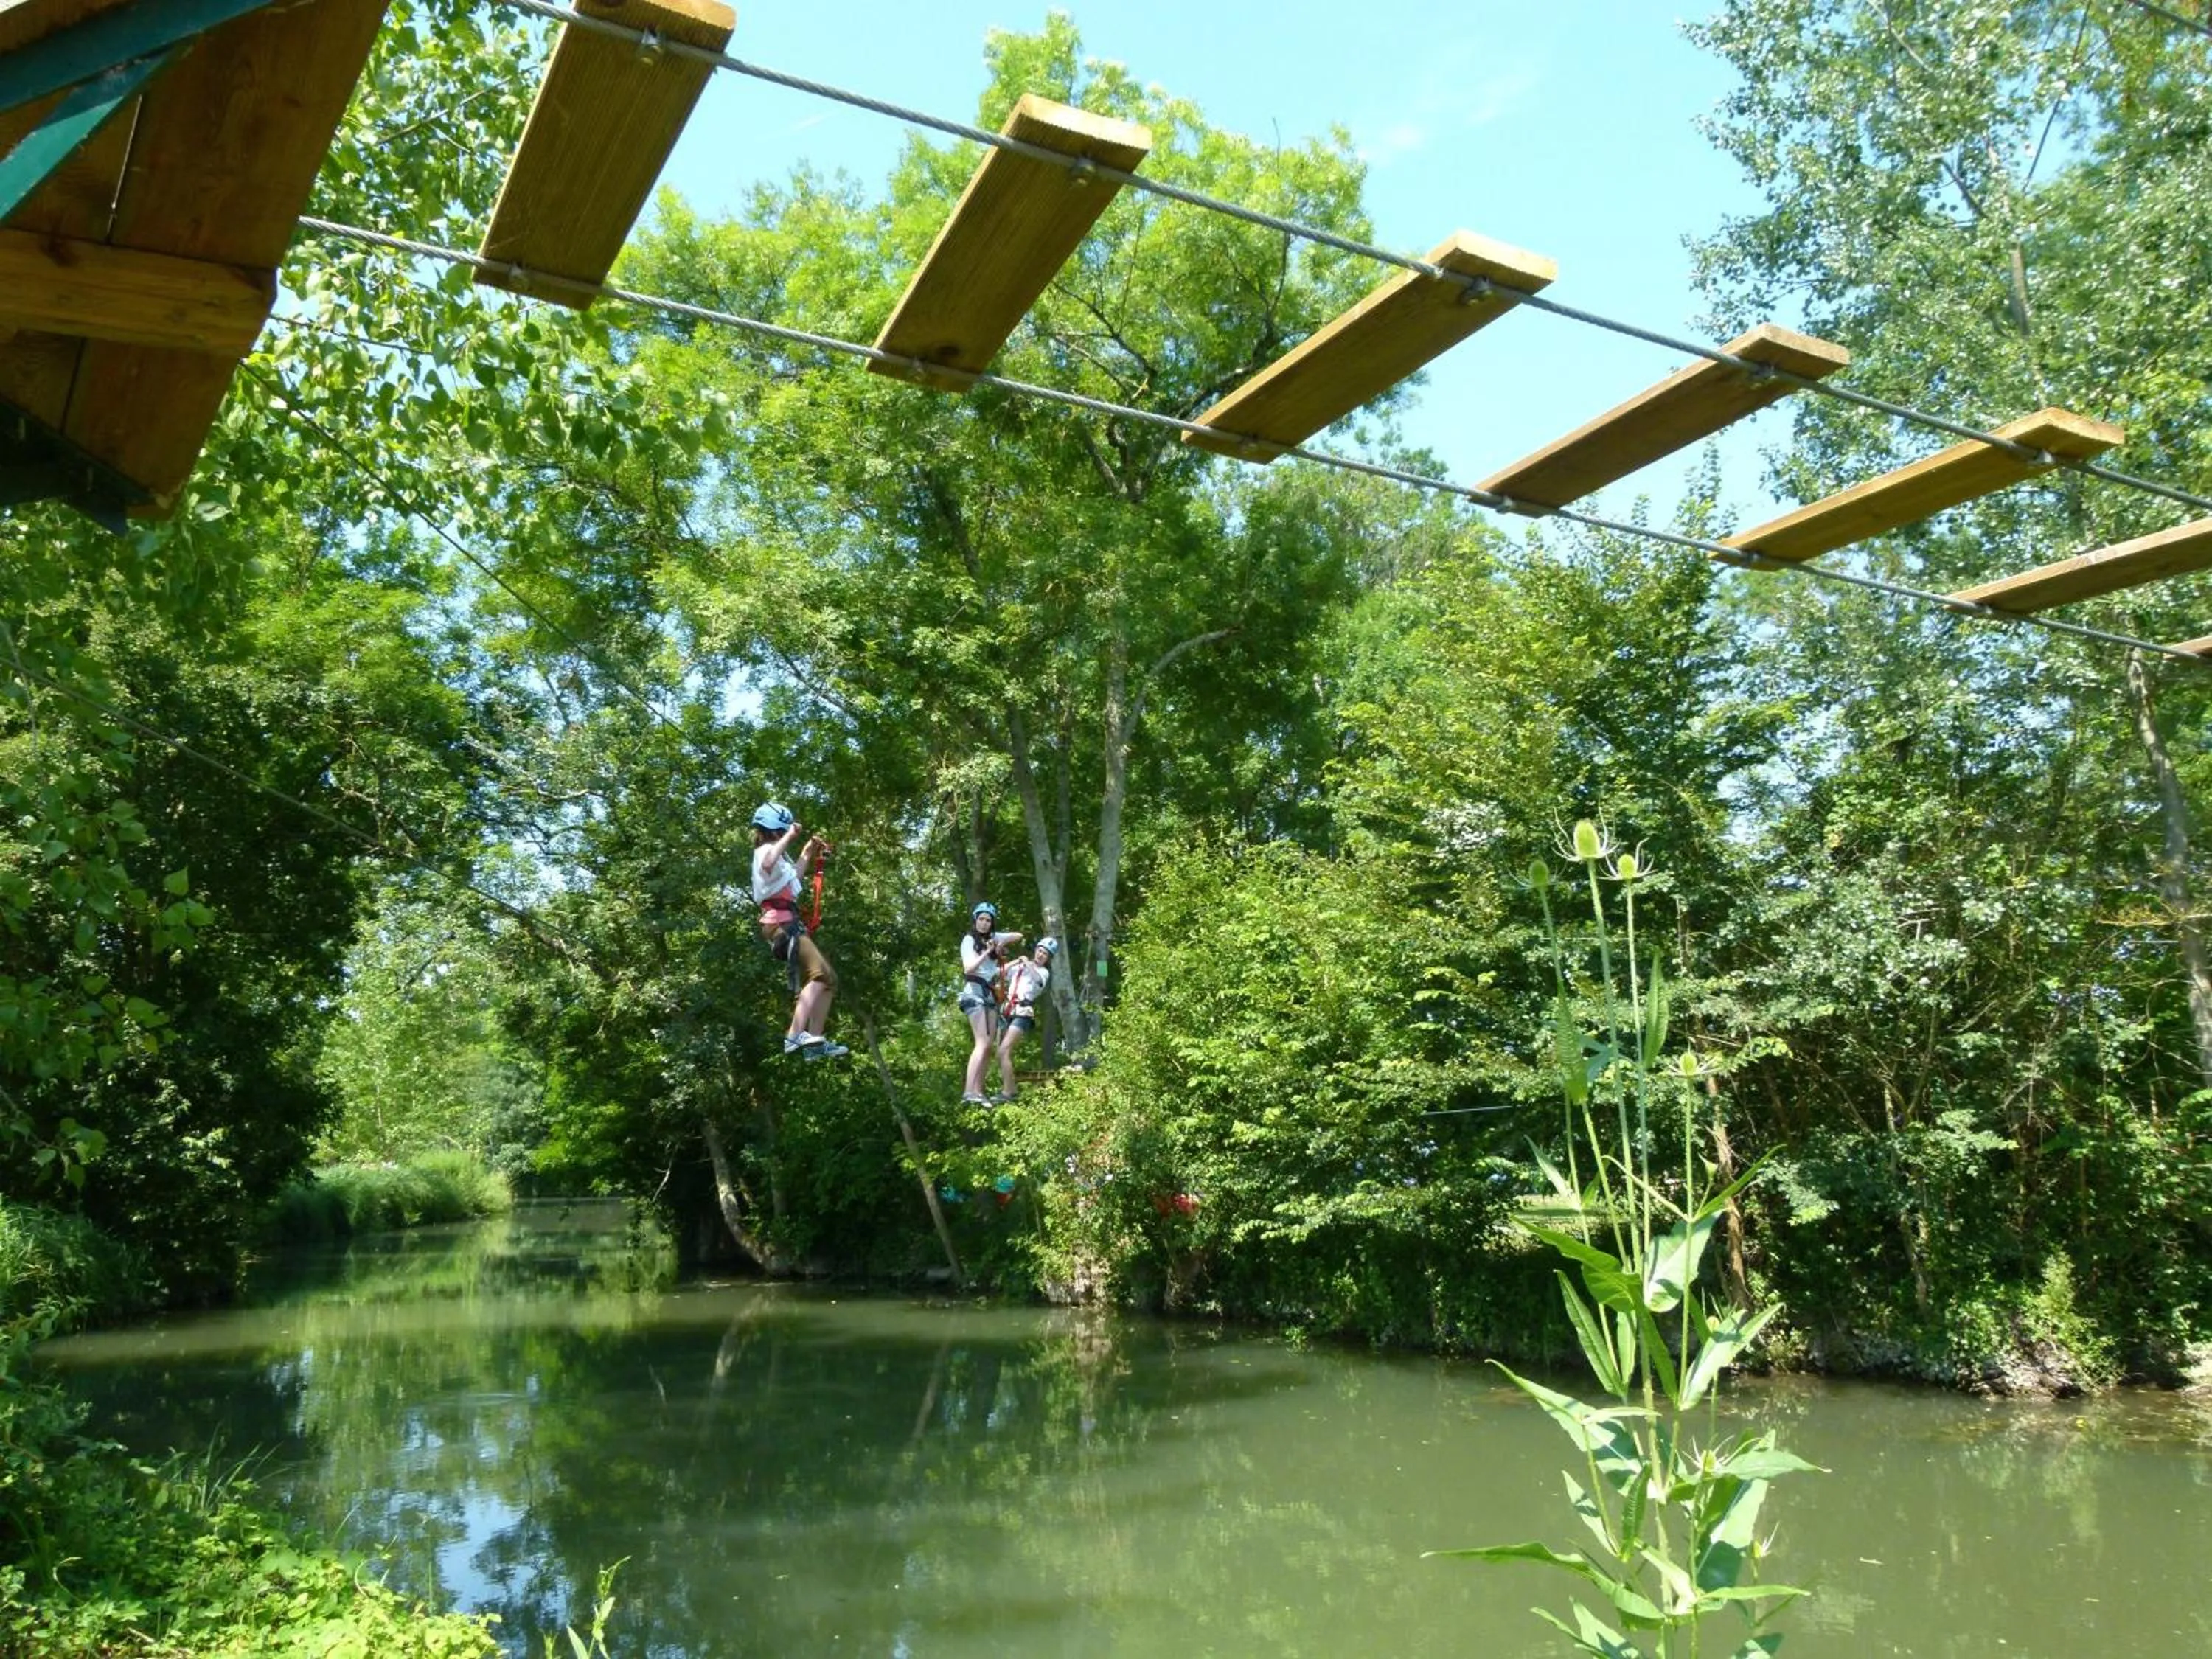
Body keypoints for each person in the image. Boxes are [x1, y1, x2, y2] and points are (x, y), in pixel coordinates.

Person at [751, 802, 845, 1059]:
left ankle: (814, 1041)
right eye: (785, 832)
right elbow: (769, 862)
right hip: (780, 924)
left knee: (830, 980)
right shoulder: (765, 851)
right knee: (820, 975)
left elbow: (794, 880)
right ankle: (794, 1035)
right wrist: (792, 836)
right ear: (778, 829)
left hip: (787, 922)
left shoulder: (778, 856)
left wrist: (807, 851)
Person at [958, 902, 1023, 1105]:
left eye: (988, 920)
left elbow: (1018, 936)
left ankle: (978, 1092)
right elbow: (969, 968)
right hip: (974, 991)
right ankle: (969, 1091)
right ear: (975, 920)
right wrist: (986, 952)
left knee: (988, 1047)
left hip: (989, 993)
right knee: (983, 1043)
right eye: (981, 919)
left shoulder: (993, 938)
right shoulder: (969, 940)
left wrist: (999, 943)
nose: (984, 923)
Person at [993, 936, 1057, 1103]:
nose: (1041, 955)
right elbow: (1000, 972)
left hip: (1023, 1013)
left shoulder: (1043, 972)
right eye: (1040, 951)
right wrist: (1016, 961)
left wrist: (1027, 963)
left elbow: (1037, 980)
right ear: (1036, 950)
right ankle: (1011, 1088)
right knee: (1000, 1054)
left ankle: (1008, 1092)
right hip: (1008, 1010)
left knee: (1003, 1051)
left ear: (1048, 958)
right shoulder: (1020, 966)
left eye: (1045, 954)